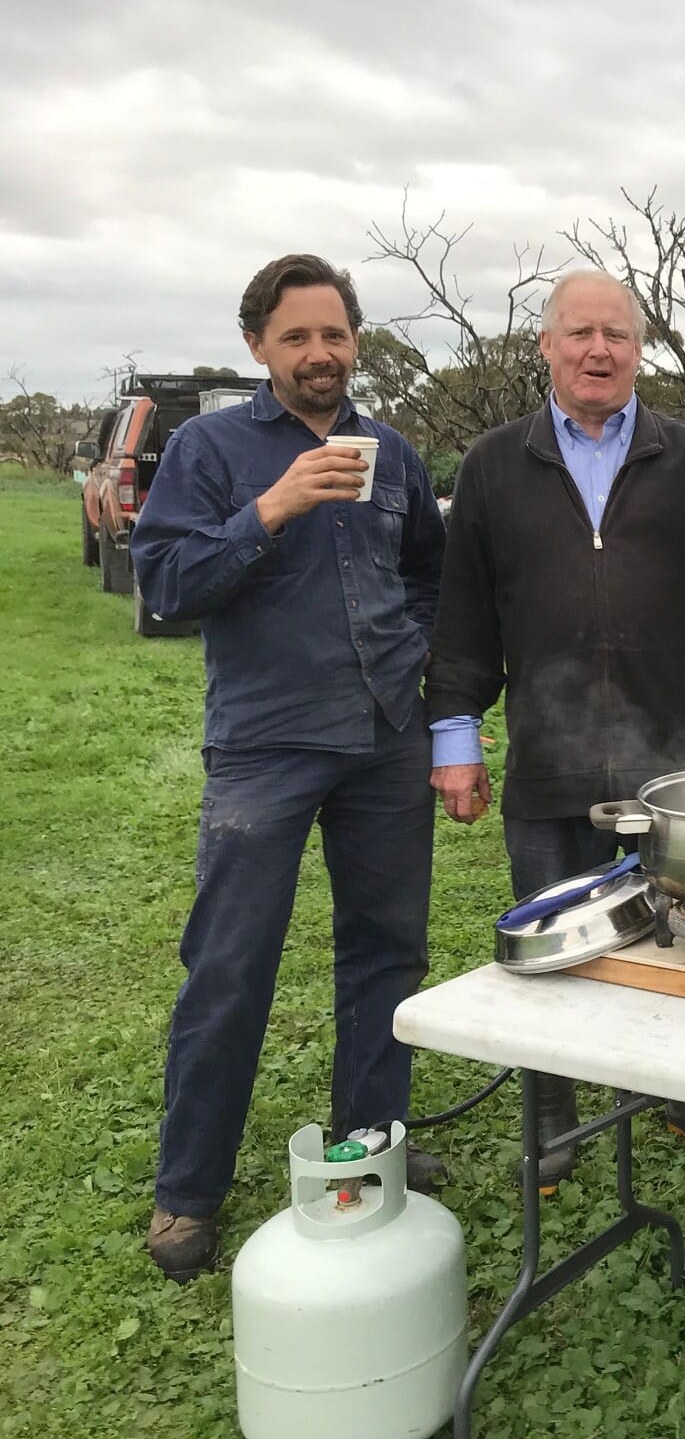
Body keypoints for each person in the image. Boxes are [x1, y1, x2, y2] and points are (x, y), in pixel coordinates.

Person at [426, 272, 685, 1186]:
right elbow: (465, 611)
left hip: (679, 756)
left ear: (640, 351)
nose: (600, 350)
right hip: (551, 756)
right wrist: (455, 736)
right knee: (549, 942)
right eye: (580, 333)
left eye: (619, 336)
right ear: (546, 346)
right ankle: (552, 1115)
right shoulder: (492, 464)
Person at [131, 254, 448, 1281]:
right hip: (267, 743)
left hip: (384, 738)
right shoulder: (209, 448)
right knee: (230, 967)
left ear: (356, 341)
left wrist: (424, 680)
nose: (320, 353)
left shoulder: (390, 452)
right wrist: (269, 511)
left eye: (335, 334)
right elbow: (167, 585)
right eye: (297, 336)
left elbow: (426, 579)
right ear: (258, 347)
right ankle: (187, 1193)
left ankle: (368, 1148)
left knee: (386, 954)